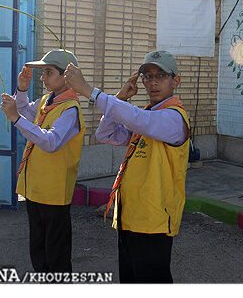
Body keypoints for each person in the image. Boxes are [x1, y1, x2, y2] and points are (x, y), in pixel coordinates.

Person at [64, 50, 190, 283]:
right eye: (147, 76)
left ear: (176, 81)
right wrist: (120, 97)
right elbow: (106, 133)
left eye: (160, 75)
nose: (152, 82)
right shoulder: (146, 114)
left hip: (154, 221)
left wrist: (90, 91)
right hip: (130, 217)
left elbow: (141, 121)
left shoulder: (173, 118)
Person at [0, 49, 85, 273]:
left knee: (55, 254)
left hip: (54, 193)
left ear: (66, 75)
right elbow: (24, 112)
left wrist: (15, 118)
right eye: (42, 72)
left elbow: (50, 142)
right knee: (38, 249)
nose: (42, 77)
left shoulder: (70, 109)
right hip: (35, 189)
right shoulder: (47, 101)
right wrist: (22, 88)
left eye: (48, 72)